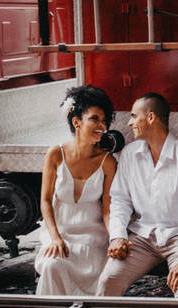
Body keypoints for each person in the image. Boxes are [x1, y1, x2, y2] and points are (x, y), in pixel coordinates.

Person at [97, 92, 178, 298]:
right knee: (108, 281)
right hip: (143, 237)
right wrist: (117, 236)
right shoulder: (129, 154)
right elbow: (120, 200)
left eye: (134, 116)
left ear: (151, 118)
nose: (129, 122)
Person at [34, 85, 117, 296]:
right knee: (53, 265)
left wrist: (115, 237)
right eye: (95, 119)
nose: (102, 125)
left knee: (101, 274)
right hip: (61, 234)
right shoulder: (56, 154)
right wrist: (55, 237)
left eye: (104, 121)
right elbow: (45, 200)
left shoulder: (108, 161)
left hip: (93, 239)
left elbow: (108, 208)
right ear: (76, 122)